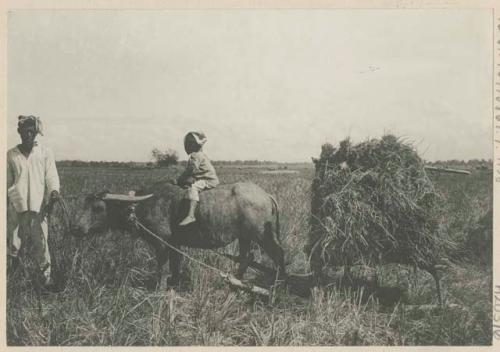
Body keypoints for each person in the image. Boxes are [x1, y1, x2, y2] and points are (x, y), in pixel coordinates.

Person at [7, 115, 60, 287]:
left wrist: (53, 192)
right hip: (16, 204)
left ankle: (45, 279)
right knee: (14, 241)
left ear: (36, 133)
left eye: (31, 130)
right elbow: (7, 180)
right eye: (24, 130)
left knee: (41, 241)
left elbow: (51, 176)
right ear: (19, 131)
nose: (28, 134)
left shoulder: (45, 153)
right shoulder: (11, 155)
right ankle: (12, 277)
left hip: (39, 206)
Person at [177, 131, 219, 226]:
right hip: (206, 177)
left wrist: (180, 179)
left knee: (194, 188)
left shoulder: (195, 155)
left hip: (208, 180)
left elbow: (191, 170)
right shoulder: (200, 154)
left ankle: (191, 215)